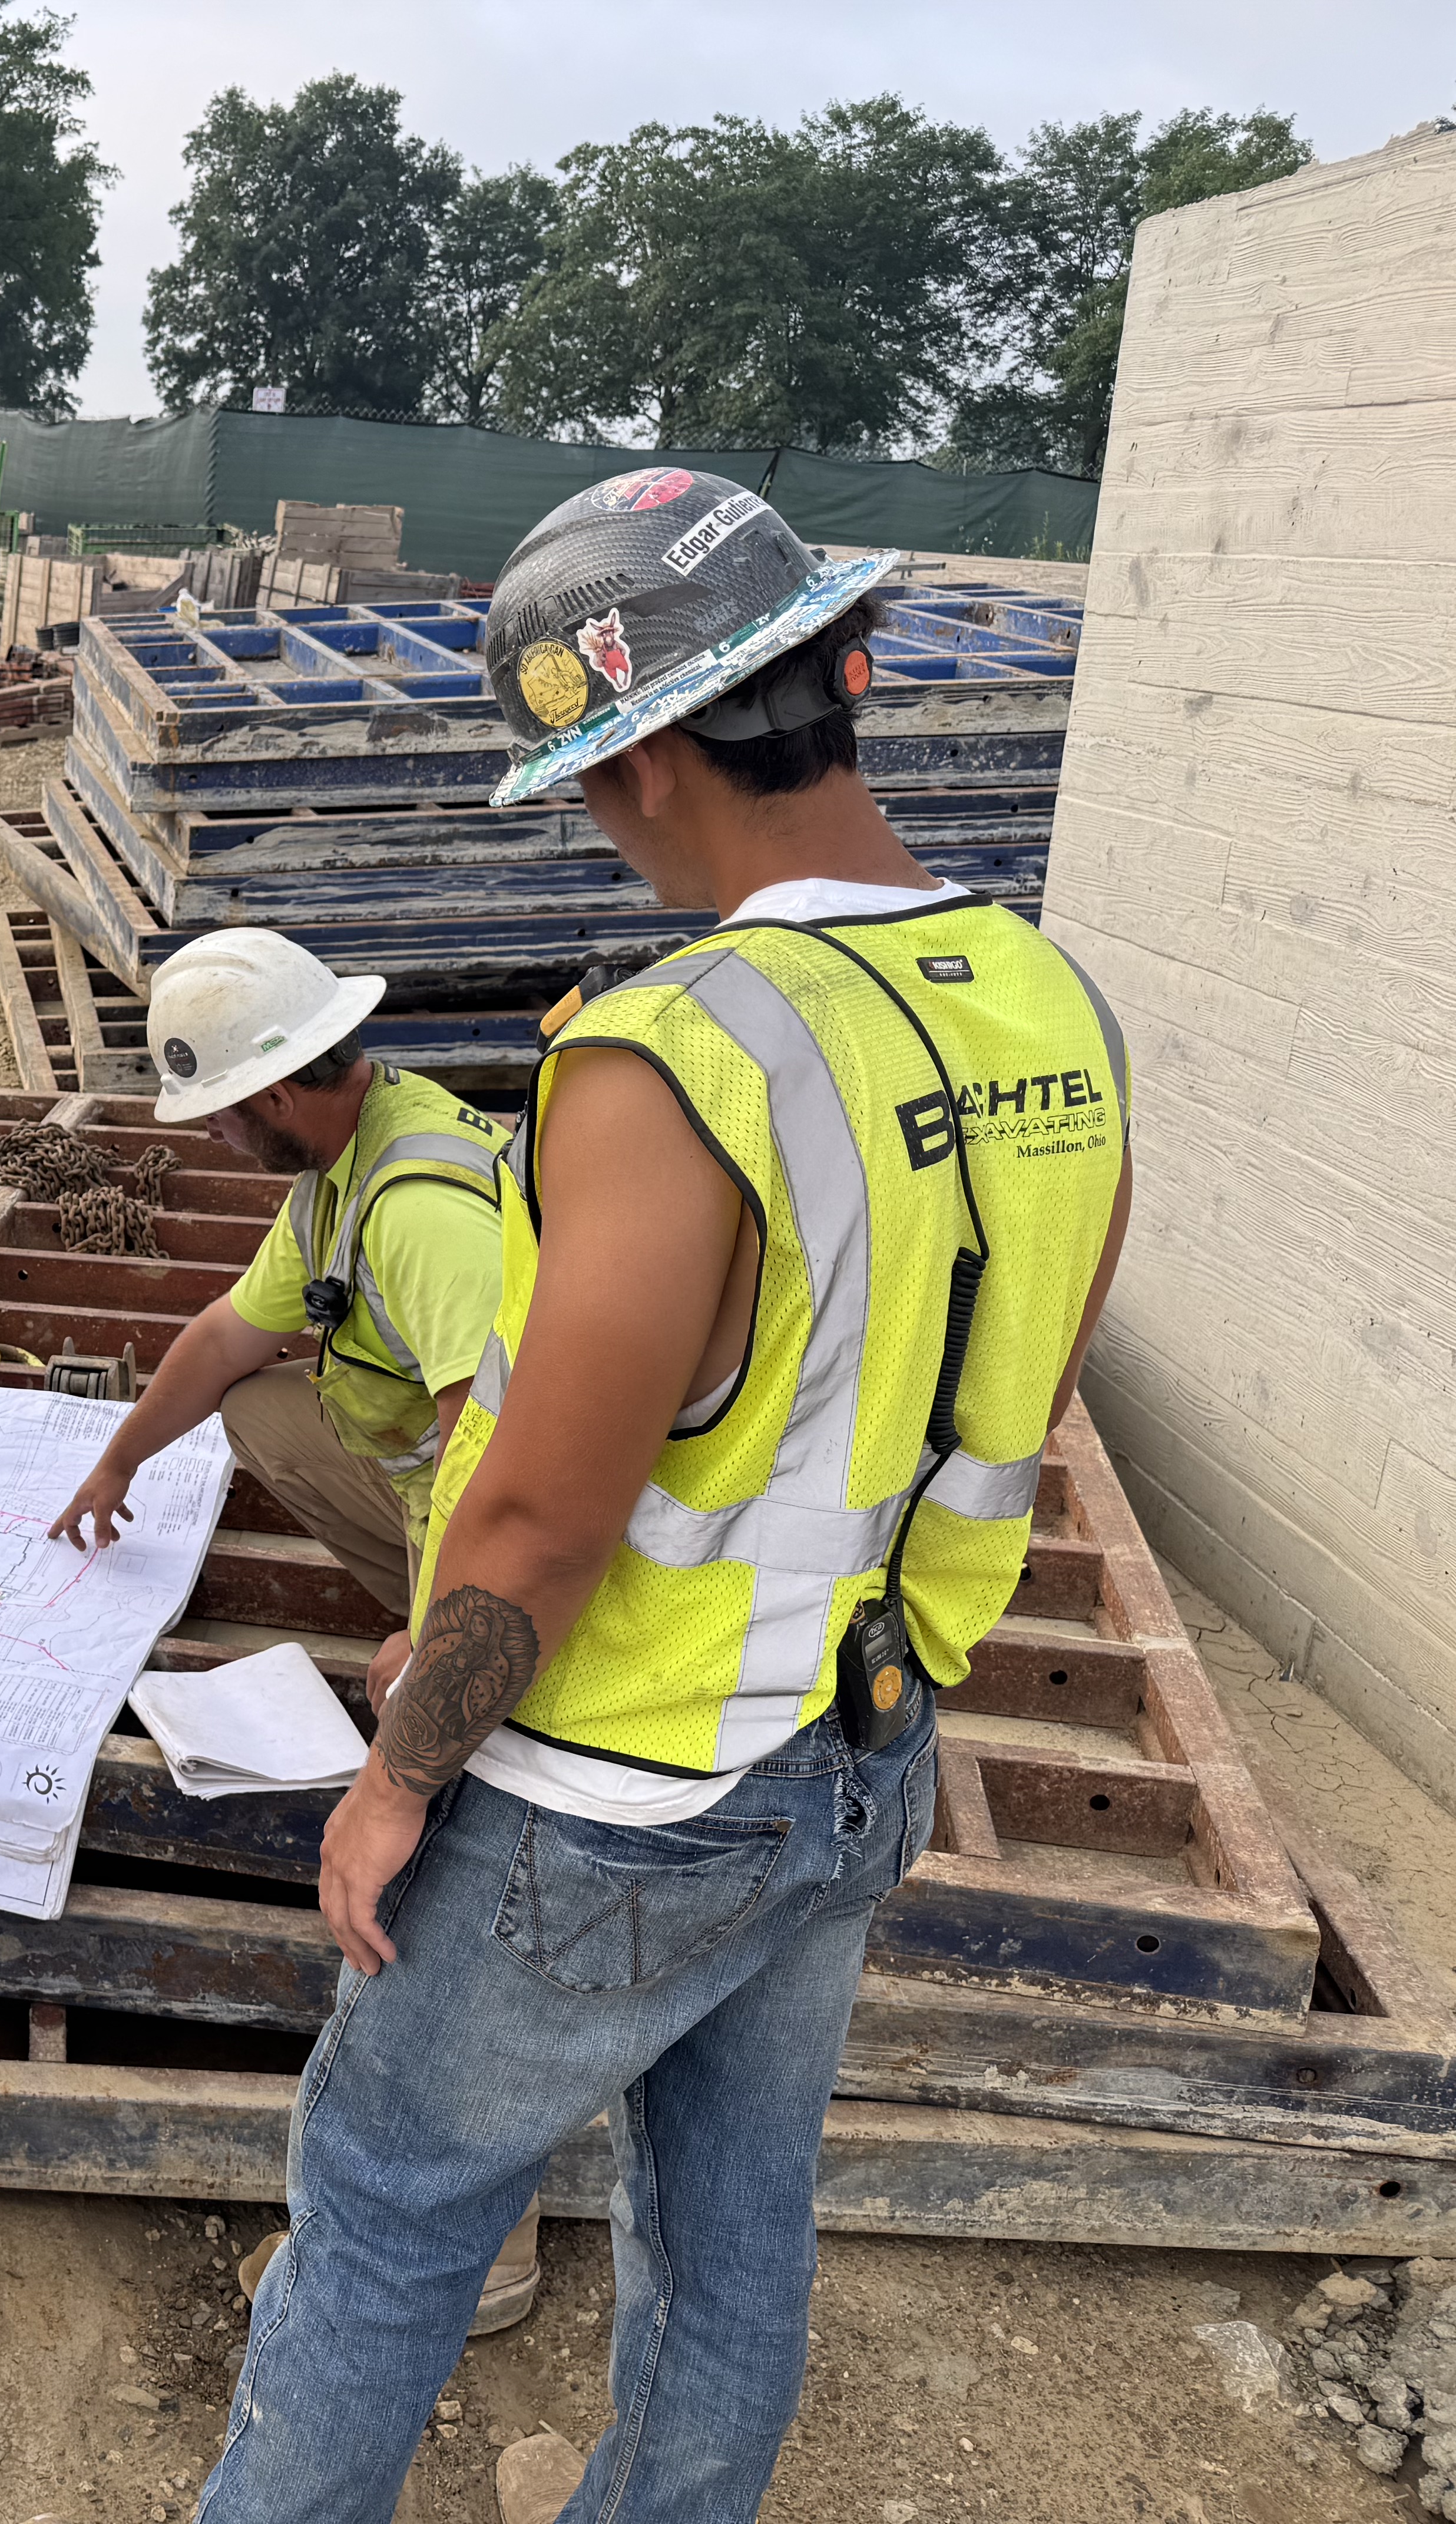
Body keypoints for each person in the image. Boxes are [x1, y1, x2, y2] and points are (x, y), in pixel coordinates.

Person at [196, 470, 1134, 2524]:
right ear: (846, 673)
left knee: (380, 2210)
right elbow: (1014, 1398)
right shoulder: (1054, 1006)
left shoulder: (673, 1051)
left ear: (630, 763)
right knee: (730, 2222)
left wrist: (396, 1776)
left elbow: (539, 1516)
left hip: (614, 1789)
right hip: (861, 1746)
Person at [44, 931, 546, 2335]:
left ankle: (460, 2240)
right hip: (475, 1506)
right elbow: (225, 1338)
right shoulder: (351, 1161)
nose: (218, 1145)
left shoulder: (419, 1213)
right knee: (261, 1399)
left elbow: (499, 1452)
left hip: (544, 1544)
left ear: (279, 1093)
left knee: (446, 1846)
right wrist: (120, 1460)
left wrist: (441, 1649)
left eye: (225, 1119)